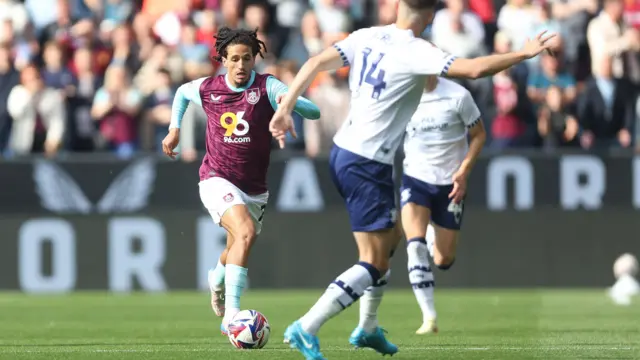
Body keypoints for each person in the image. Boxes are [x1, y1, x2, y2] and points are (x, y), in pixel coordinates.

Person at [268, 0, 555, 358]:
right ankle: (306, 327)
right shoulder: (417, 51)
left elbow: (313, 63)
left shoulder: (367, 35)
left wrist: (283, 109)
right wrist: (523, 53)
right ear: (431, 15)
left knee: (389, 244)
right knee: (373, 261)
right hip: (366, 163)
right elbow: (476, 68)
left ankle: (368, 328)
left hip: (346, 152)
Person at [161, 27, 320, 334]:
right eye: (234, 59)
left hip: (255, 189)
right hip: (216, 178)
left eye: (247, 58)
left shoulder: (267, 87)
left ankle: (217, 278)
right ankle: (233, 316)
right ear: (222, 59)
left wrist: (288, 103)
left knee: (238, 244)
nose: (240, 65)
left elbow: (313, 113)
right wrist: (174, 128)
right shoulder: (209, 88)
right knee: (245, 231)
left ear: (254, 59)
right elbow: (181, 93)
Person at [401, 75, 486, 335]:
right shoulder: (401, 95)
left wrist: (465, 171)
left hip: (450, 183)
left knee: (443, 259)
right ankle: (429, 318)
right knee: (414, 247)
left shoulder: (458, 96)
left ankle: (429, 233)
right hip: (415, 178)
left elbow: (479, 134)